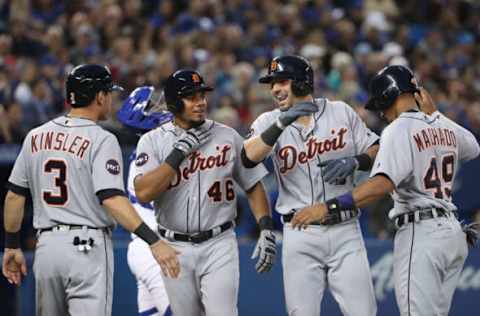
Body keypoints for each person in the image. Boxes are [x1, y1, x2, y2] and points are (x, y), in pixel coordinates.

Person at [291, 65, 480, 315]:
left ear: (388, 96)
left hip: (421, 232)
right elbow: (473, 147)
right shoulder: (441, 125)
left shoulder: (398, 129)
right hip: (452, 236)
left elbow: (381, 184)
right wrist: (435, 113)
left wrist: (327, 207)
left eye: (380, 105)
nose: (381, 113)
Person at [2, 64, 180, 316]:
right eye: (109, 93)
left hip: (47, 248)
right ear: (99, 96)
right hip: (86, 246)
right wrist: (153, 240)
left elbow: (14, 196)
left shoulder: (35, 136)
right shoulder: (102, 139)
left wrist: (11, 245)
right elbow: (112, 199)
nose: (110, 99)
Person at [242, 55, 379, 316]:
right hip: (299, 231)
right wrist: (281, 123)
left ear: (302, 82)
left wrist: (356, 160)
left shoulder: (340, 111)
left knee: (364, 312)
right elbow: (247, 158)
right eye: (271, 84)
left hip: (345, 228)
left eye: (281, 81)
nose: (274, 89)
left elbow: (376, 148)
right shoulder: (267, 120)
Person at [133, 69, 276, 316]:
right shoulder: (152, 141)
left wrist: (265, 227)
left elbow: (253, 184)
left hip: (219, 243)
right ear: (174, 102)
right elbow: (144, 193)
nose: (200, 103)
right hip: (174, 246)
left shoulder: (227, 135)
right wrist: (177, 155)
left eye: (202, 96)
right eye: (192, 97)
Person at [117, 86, 174, 316]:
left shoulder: (147, 151)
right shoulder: (153, 154)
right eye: (152, 106)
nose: (161, 107)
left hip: (145, 246)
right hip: (156, 248)